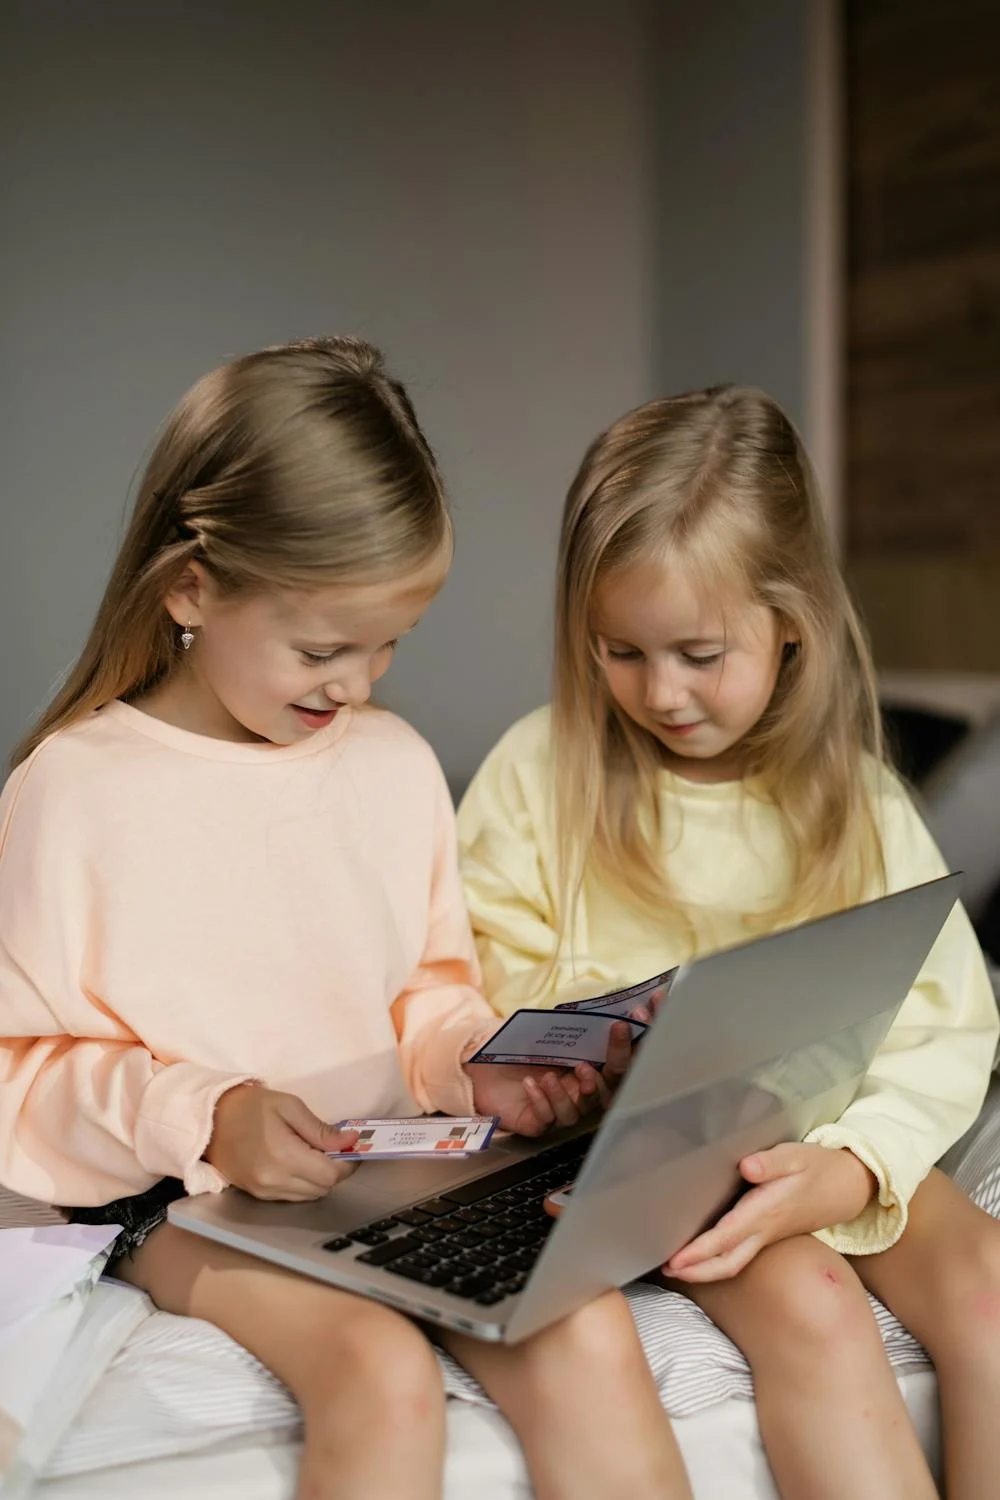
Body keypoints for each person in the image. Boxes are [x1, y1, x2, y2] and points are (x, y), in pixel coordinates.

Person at [0, 338, 693, 1500]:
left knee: (584, 1330)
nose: (359, 686)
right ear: (189, 587)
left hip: (388, 1174)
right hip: (177, 1199)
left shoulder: (394, 766)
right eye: (323, 649)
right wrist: (207, 1116)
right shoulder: (71, 792)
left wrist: (474, 1068)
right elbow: (17, 1067)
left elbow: (424, 991)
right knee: (376, 1370)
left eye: (389, 646)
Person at [458, 384, 1000, 1500]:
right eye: (620, 652)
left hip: (836, 1142)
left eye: (700, 654)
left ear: (788, 620)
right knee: (810, 1304)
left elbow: (945, 1024)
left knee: (990, 1292)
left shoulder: (852, 801)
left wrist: (853, 1165)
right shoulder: (538, 773)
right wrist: (580, 1054)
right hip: (651, 1156)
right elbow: (482, 980)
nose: (661, 693)